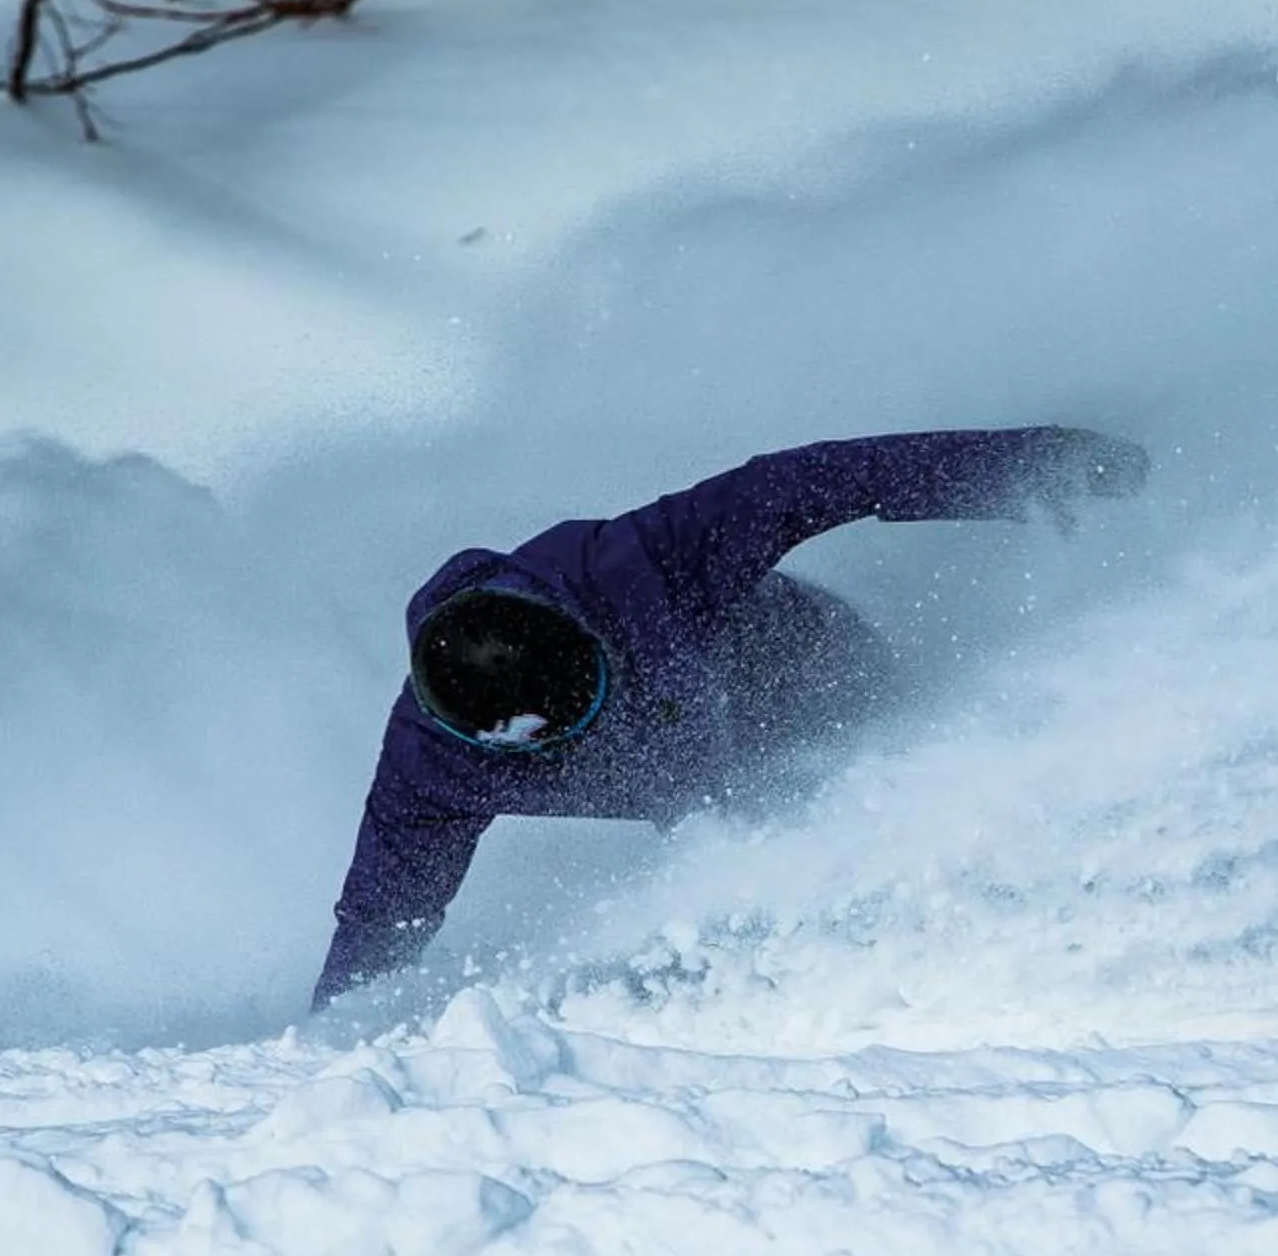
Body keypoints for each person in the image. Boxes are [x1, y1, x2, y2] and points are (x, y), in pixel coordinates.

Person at [312, 425, 1149, 1008]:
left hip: (826, 681)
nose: (590, 734)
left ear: (584, 634)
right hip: (723, 789)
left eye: (586, 697)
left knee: (925, 781)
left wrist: (1033, 463)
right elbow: (385, 913)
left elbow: (824, 481)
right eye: (551, 741)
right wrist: (336, 1040)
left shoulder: (641, 562)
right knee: (771, 855)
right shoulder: (432, 764)